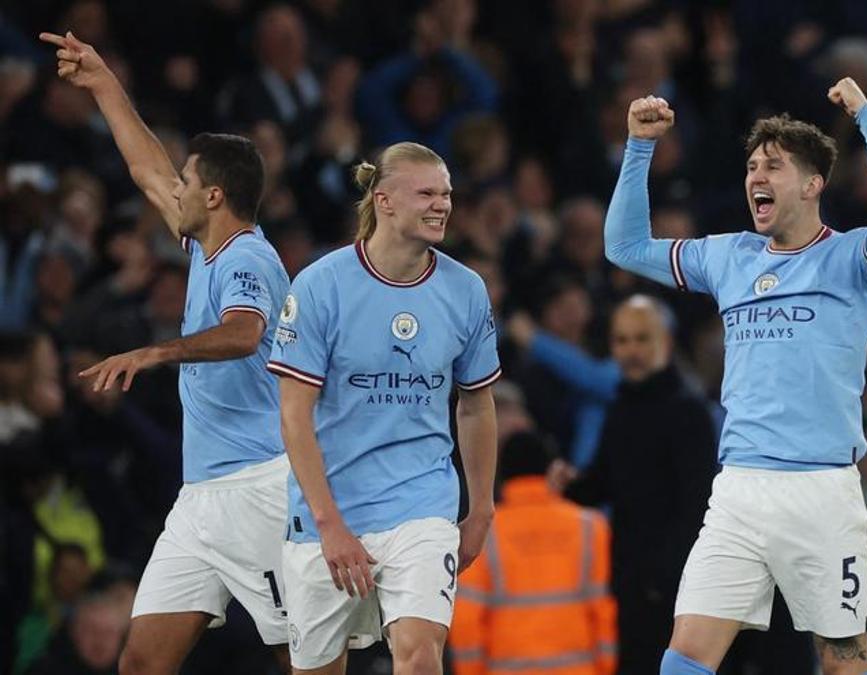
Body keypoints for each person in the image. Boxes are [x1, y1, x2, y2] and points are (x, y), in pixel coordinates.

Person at [605, 77, 867, 674]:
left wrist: (866, 118)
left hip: (822, 494)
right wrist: (639, 148)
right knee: (684, 658)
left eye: (773, 167)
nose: (756, 177)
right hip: (739, 493)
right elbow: (623, 247)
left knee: (843, 663)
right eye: (752, 166)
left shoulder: (854, 259)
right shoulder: (729, 258)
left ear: (811, 185)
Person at [41, 31, 293, 674]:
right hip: (201, 498)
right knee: (140, 664)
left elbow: (245, 332)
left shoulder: (248, 257)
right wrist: (102, 83)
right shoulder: (205, 246)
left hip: (258, 485)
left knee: (310, 653)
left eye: (186, 181)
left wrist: (154, 353)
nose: (171, 190)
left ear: (213, 196)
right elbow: (145, 167)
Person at [267, 141, 499, 674]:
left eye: (447, 194)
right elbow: (293, 415)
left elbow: (475, 405)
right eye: (426, 193)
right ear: (385, 200)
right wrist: (330, 525)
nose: (442, 204)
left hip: (421, 504)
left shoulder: (465, 289)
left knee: (419, 655)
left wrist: (481, 506)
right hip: (328, 511)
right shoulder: (321, 285)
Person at [551, 295, 718, 675]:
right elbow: (603, 484)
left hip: (674, 591)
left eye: (642, 339)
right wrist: (568, 485)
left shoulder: (688, 412)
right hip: (626, 585)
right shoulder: (621, 408)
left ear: (667, 342)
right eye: (622, 340)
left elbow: (698, 509)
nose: (631, 350)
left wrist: (664, 579)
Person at [448, 430, 617, 675]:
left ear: (502, 474)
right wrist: (606, 666)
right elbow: (603, 610)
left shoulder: (484, 535)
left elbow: (466, 620)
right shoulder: (591, 527)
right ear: (549, 470)